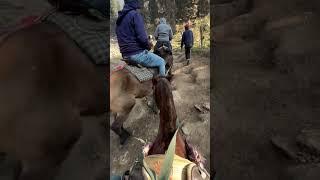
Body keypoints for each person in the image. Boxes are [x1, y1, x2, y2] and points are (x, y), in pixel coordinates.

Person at [116, 0, 167, 77]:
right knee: (161, 61)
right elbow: (142, 38)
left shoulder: (119, 19)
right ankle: (162, 83)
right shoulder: (135, 15)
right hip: (136, 54)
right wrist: (148, 45)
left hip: (125, 55)